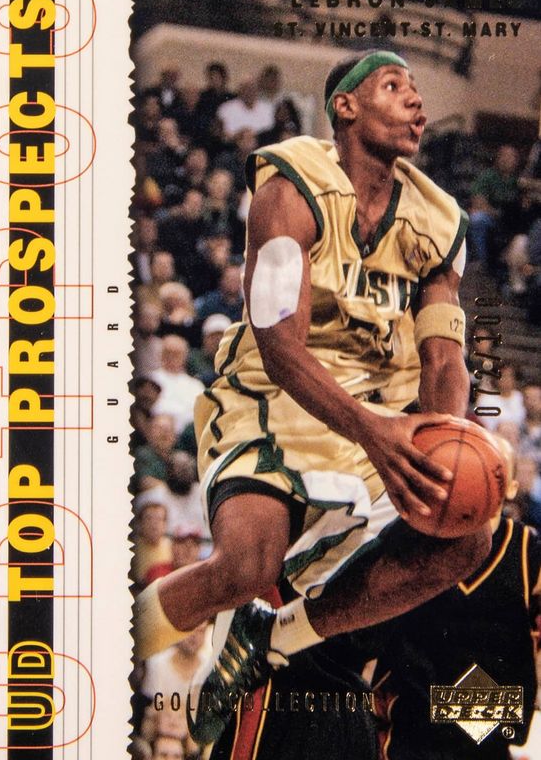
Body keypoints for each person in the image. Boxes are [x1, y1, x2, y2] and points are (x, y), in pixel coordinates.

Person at [134, 50, 490, 744]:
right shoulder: (290, 185)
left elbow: (443, 357)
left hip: (376, 413)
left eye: (418, 91)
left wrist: (443, 437)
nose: (416, 101)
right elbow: (278, 343)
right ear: (345, 108)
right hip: (274, 394)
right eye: (394, 86)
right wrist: (372, 432)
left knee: (464, 538)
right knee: (248, 565)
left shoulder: (438, 219)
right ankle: (98, 648)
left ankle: (273, 639)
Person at [370, 436, 541, 759]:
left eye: (493, 468)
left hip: (487, 728)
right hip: (410, 727)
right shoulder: (410, 537)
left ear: (511, 488)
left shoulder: (528, 550)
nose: (476, 472)